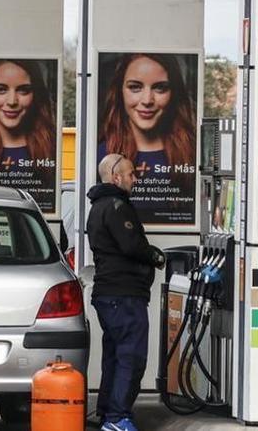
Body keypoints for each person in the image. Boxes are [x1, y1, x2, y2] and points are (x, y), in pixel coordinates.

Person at [87, 154, 162, 431]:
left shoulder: (99, 206)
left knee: (115, 356)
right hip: (124, 295)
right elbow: (131, 246)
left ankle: (107, 412)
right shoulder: (117, 206)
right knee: (131, 357)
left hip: (110, 295)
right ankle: (118, 417)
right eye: (131, 174)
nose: (135, 179)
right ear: (116, 177)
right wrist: (155, 256)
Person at [98, 53, 197, 221]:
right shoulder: (102, 154)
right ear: (119, 91)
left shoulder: (191, 152)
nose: (147, 100)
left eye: (160, 88)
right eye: (135, 87)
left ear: (174, 93)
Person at [0, 59, 57, 211]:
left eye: (23, 90)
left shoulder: (51, 149)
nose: (12, 101)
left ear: (36, 95)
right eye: (1, 89)